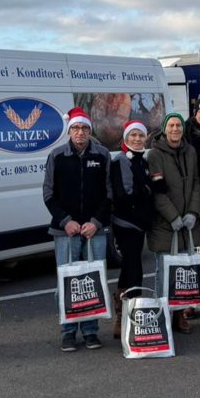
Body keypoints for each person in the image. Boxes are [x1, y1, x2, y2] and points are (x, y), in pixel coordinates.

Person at [43, 107, 112, 352]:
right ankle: (68, 331)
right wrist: (65, 221)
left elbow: (109, 195)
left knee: (93, 281)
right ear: (69, 131)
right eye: (75, 128)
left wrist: (96, 222)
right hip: (66, 232)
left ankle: (91, 331)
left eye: (84, 128)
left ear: (90, 131)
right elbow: (49, 195)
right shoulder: (57, 156)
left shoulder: (103, 155)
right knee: (68, 282)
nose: (80, 133)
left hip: (95, 231)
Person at [146, 112, 200, 334]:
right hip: (165, 225)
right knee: (164, 273)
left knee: (182, 274)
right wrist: (172, 216)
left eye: (178, 125)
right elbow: (157, 192)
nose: (175, 129)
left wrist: (193, 212)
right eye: (171, 125)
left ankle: (179, 315)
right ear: (164, 128)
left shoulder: (190, 151)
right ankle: (162, 317)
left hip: (187, 224)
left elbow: (197, 183)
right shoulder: (154, 155)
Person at [109, 120, 154, 337]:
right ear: (125, 139)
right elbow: (125, 194)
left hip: (139, 224)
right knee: (134, 269)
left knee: (128, 267)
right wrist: (148, 188)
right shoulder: (121, 161)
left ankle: (123, 316)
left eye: (141, 135)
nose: (137, 139)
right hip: (127, 224)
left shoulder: (142, 160)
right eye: (133, 135)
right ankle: (131, 317)